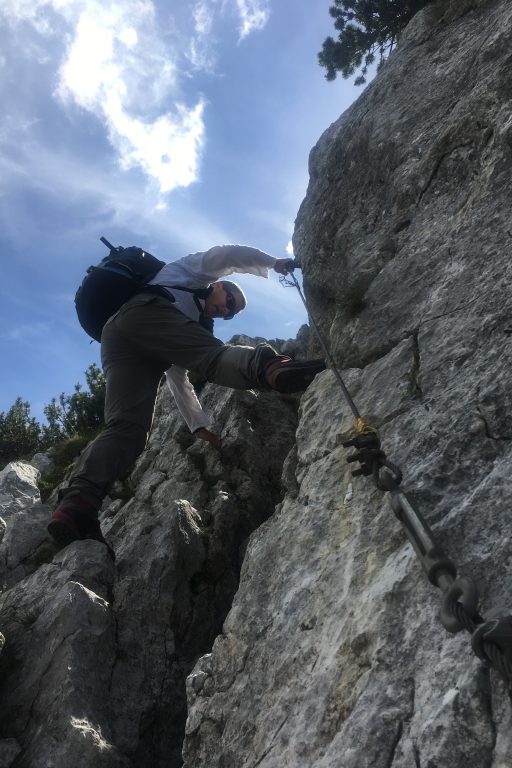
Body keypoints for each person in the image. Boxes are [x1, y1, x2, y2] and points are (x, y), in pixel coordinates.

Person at [48, 244, 325, 557]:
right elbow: (228, 255)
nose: (227, 311)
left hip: (118, 336)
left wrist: (198, 426)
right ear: (218, 286)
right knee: (213, 357)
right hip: (144, 311)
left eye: (232, 313)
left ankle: (78, 504)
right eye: (229, 301)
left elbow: (178, 379)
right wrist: (273, 263)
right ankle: (269, 366)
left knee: (127, 428)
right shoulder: (190, 273)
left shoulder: (193, 325)